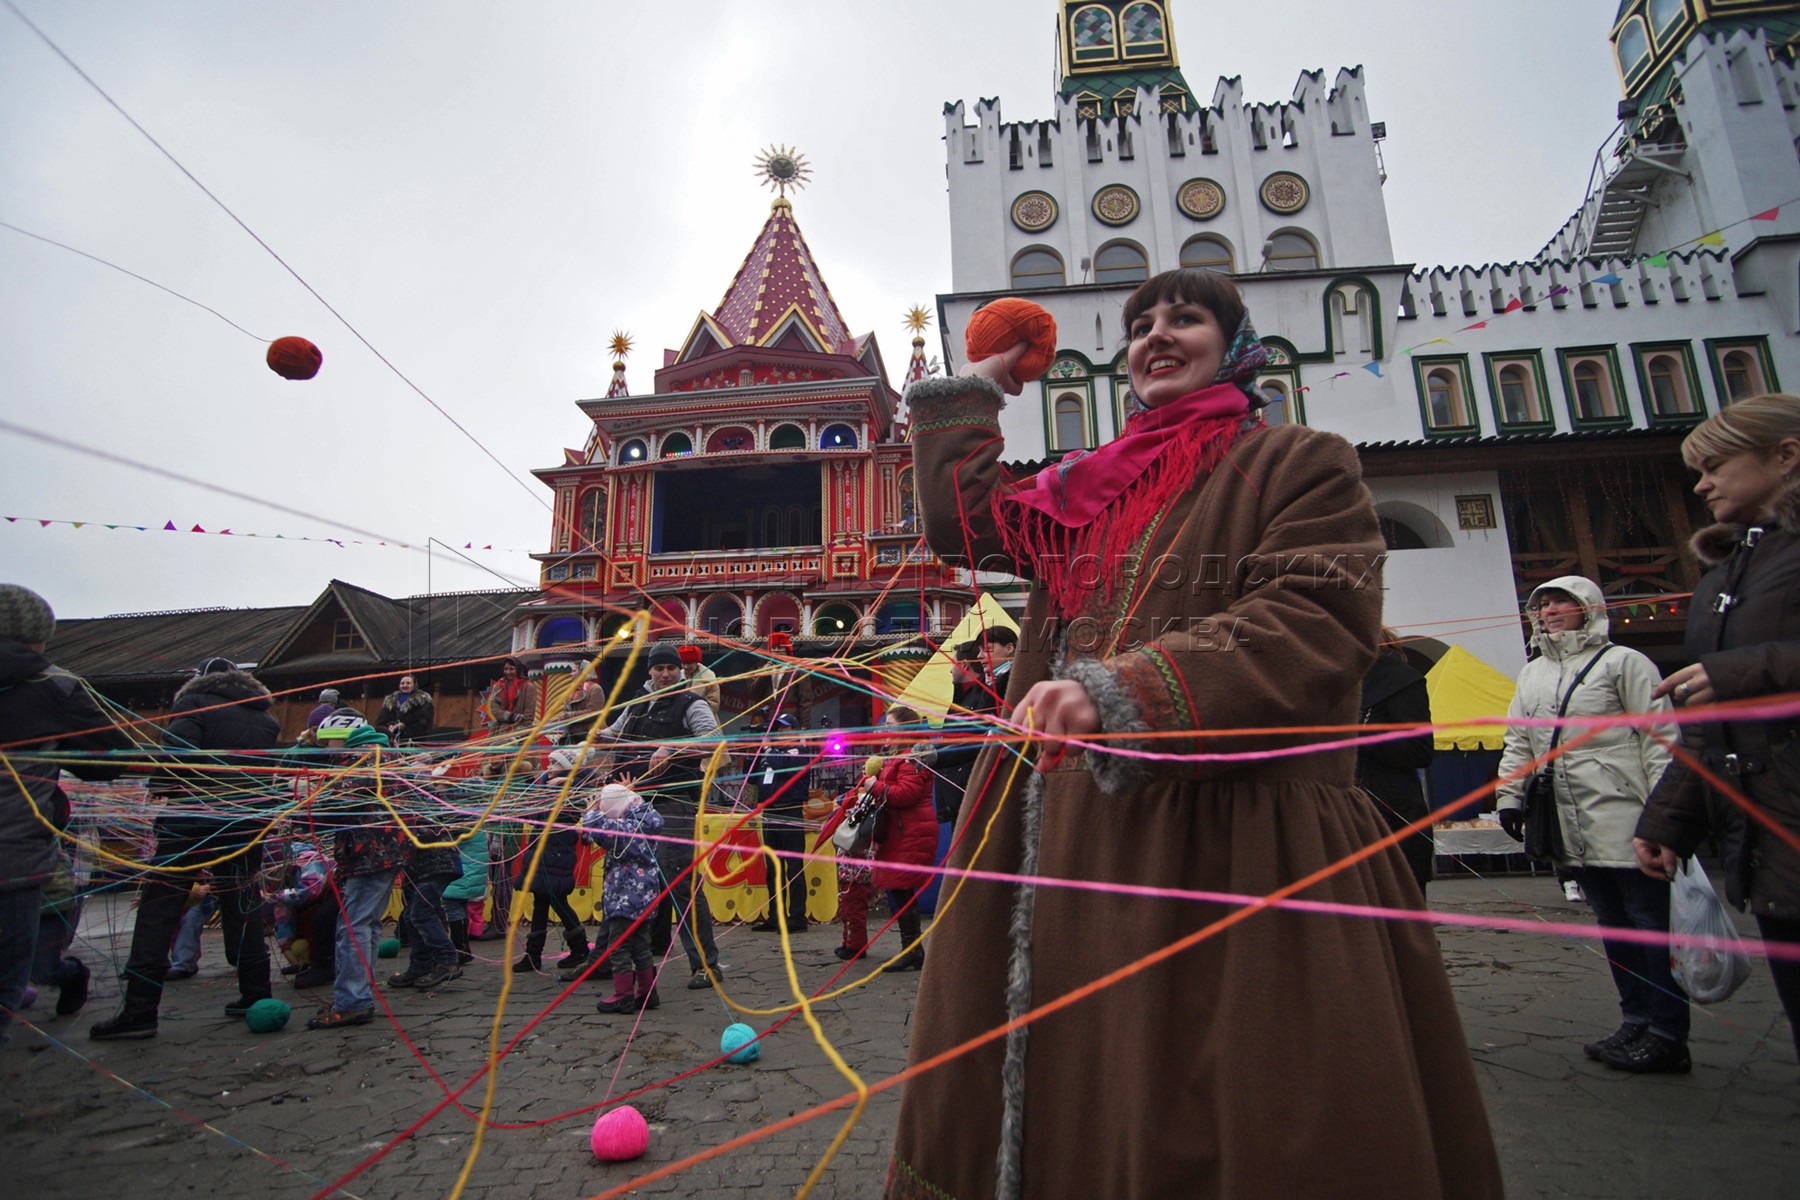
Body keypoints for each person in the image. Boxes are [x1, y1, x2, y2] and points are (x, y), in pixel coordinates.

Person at [889, 269, 1500, 1197]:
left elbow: (1314, 616)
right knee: (1059, 1084)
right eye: (1141, 325)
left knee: (1215, 1099)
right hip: (1059, 835)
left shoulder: (1303, 461)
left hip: (1231, 841)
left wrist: (1125, 689)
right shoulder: (1087, 487)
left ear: (1237, 344)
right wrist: (982, 391)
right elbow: (964, 528)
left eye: (1186, 317)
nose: (1157, 335)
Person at [1634, 393, 1800, 1064]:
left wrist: (1744, 671)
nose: (1700, 485)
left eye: (1715, 466)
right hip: (1770, 833)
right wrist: (1668, 821)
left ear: (1785, 456)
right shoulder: (1723, 578)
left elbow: (1733, 681)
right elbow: (1705, 724)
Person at [1494, 577, 1682, 1071]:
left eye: (1561, 602)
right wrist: (1510, 797)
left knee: (1648, 925)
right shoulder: (1531, 674)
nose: (1550, 610)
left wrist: (1665, 817)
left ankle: (1667, 1032)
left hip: (1628, 813)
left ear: (1588, 609)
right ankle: (1634, 1020)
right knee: (1614, 925)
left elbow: (1661, 740)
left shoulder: (1625, 663)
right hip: (1568, 818)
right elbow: (1519, 740)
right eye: (1542, 605)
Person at [92, 655, 281, 1041]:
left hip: (193, 817)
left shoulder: (193, 702)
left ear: (200, 681)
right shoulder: (266, 718)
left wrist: (160, 788)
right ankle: (256, 992)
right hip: (246, 821)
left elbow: (178, 752)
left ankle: (140, 1010)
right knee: (242, 900)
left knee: (159, 905)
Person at [1, 583, 131, 1041]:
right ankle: (61, 973)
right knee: (11, 976)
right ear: (35, 634)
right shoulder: (54, 686)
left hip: (22, 853)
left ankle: (59, 973)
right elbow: (115, 760)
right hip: (15, 859)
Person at [594, 642, 724, 990]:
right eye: (659, 668)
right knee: (621, 879)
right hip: (635, 805)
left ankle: (705, 966)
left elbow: (714, 741)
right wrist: (590, 736)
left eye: (671, 668)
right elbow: (613, 735)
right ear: (649, 671)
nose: (665, 674)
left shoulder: (691, 703)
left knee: (680, 883)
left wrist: (672, 748)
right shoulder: (637, 704)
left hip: (674, 803)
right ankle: (606, 961)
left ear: (681, 671)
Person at [307, 724, 405, 1030]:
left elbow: (338, 805)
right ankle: (361, 988)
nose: (327, 746)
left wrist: (303, 806)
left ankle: (352, 1000)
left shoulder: (361, 761)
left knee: (353, 925)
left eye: (328, 739)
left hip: (368, 855)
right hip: (384, 853)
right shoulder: (383, 758)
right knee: (367, 923)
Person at [1355, 629, 1436, 894]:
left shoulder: (1399, 680)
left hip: (1393, 814)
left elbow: (1419, 751)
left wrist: (1363, 733)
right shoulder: (1339, 683)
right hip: (1347, 815)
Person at [584, 783, 665, 1014]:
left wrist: (592, 810)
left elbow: (598, 826)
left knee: (619, 946)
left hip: (624, 897)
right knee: (640, 945)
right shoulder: (645, 821)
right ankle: (648, 994)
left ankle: (623, 995)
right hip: (646, 896)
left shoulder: (627, 828)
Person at [867, 707, 935, 970]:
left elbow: (906, 794)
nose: (884, 730)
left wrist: (875, 787)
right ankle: (911, 949)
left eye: (889, 725)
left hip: (910, 832)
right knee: (899, 890)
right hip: (901, 831)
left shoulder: (910, 759)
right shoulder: (901, 757)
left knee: (902, 890)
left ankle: (912, 951)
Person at [746, 712, 812, 933]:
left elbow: (783, 765)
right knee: (773, 869)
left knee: (793, 867)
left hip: (790, 811)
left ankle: (797, 917)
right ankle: (775, 915)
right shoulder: (771, 752)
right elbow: (752, 777)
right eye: (779, 729)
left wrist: (767, 749)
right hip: (770, 812)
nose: (781, 733)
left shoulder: (799, 751)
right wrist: (751, 753)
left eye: (785, 729)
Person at [482, 658, 540, 735]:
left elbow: (529, 712)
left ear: (518, 669)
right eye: (505, 669)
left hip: (521, 729)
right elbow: (494, 708)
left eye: (511, 669)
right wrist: (510, 716)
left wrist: (520, 728)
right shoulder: (498, 686)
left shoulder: (528, 687)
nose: (508, 672)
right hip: (498, 729)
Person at [375, 674, 434, 745]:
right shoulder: (390, 700)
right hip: (391, 740)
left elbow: (425, 722)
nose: (405, 685)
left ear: (414, 685)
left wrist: (404, 725)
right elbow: (380, 721)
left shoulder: (423, 700)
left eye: (408, 683)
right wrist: (390, 725)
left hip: (413, 741)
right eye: (402, 683)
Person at [677, 645, 721, 713]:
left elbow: (714, 705)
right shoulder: (677, 678)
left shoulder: (709, 678)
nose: (685, 667)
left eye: (689, 663)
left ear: (696, 662)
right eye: (683, 663)